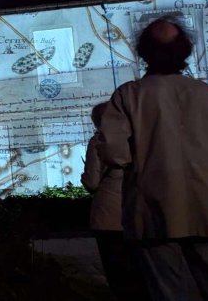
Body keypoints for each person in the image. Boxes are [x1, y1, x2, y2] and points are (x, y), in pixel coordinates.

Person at [98, 17, 208, 300]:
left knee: (168, 292)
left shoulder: (128, 96)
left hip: (154, 206)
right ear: (185, 52)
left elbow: (114, 153)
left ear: (143, 52)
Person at [81, 102, 149, 301]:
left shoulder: (99, 142)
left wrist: (85, 178)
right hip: (140, 211)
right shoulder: (141, 139)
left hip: (109, 216)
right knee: (141, 271)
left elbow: (92, 182)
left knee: (118, 274)